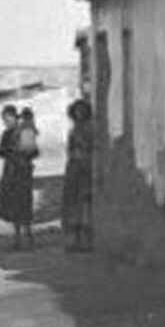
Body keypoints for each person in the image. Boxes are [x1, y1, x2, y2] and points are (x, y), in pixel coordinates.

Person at [0, 105, 39, 249]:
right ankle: (18, 238)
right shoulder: (7, 134)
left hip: (22, 171)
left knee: (24, 203)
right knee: (14, 204)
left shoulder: (25, 132)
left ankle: (28, 237)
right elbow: (1, 152)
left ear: (15, 117)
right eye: (4, 120)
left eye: (8, 119)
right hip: (11, 171)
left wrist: (18, 153)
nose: (6, 122)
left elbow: (34, 152)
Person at [62, 99, 95, 253]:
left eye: (82, 111)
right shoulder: (73, 130)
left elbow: (93, 147)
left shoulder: (90, 129)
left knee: (86, 203)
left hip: (86, 168)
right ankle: (74, 240)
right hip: (74, 168)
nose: (79, 113)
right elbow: (69, 149)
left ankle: (86, 241)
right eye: (77, 111)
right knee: (73, 203)